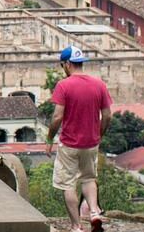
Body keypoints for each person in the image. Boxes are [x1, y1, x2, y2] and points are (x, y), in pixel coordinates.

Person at [49, 46, 112, 232]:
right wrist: (99, 134)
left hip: (69, 143)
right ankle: (94, 213)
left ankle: (76, 226)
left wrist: (49, 137)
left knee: (68, 184)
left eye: (63, 65)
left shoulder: (64, 85)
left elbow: (57, 117)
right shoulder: (99, 84)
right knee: (88, 178)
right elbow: (108, 116)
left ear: (67, 64)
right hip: (91, 143)